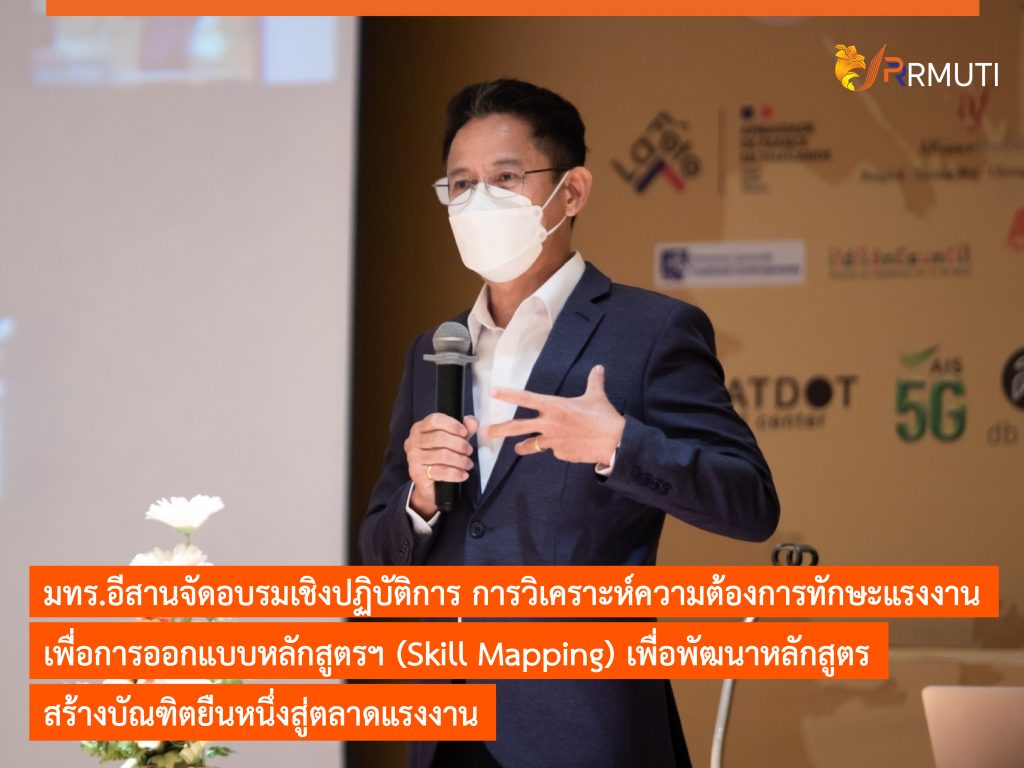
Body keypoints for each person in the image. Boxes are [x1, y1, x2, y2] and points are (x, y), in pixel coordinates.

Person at [360, 78, 780, 768]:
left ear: (572, 191)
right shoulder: (434, 350)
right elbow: (380, 554)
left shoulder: (649, 332)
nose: (479, 201)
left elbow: (751, 504)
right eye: (461, 185)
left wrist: (620, 446)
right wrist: (422, 499)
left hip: (584, 730)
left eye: (505, 178)